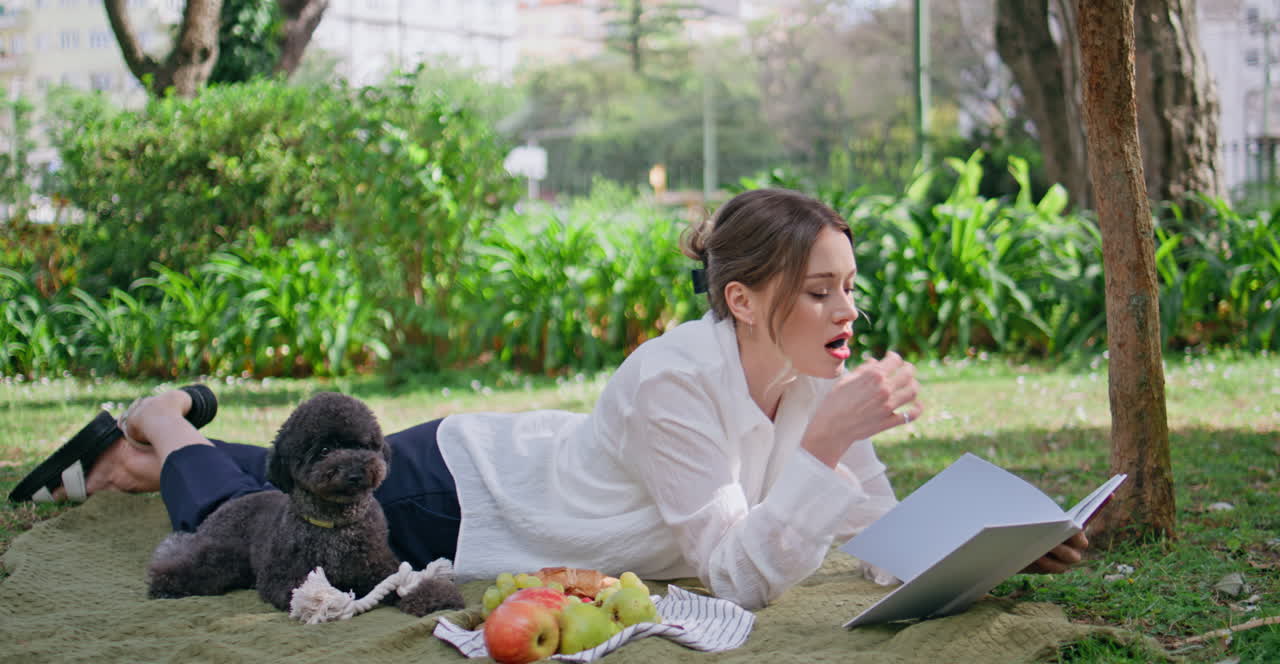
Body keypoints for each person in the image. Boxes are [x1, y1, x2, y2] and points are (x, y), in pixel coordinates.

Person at [9, 188, 1087, 610]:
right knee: (249, 525)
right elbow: (735, 577)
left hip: (504, 463)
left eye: (850, 288)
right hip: (459, 496)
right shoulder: (675, 379)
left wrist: (989, 543)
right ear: (744, 300)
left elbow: (871, 527)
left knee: (269, 478)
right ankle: (161, 423)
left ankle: (142, 452)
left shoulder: (815, 384)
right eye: (819, 291)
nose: (845, 310)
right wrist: (825, 448)